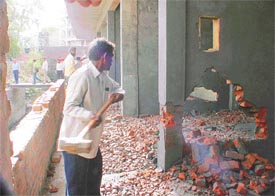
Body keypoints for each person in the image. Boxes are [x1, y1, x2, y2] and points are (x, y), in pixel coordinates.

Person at [57, 37, 125, 196]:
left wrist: (119, 95)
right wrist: (90, 116)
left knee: (93, 187)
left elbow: (118, 88)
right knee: (77, 190)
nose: (112, 60)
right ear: (104, 57)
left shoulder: (102, 77)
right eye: (112, 56)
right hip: (76, 144)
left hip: (91, 143)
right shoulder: (82, 76)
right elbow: (69, 107)